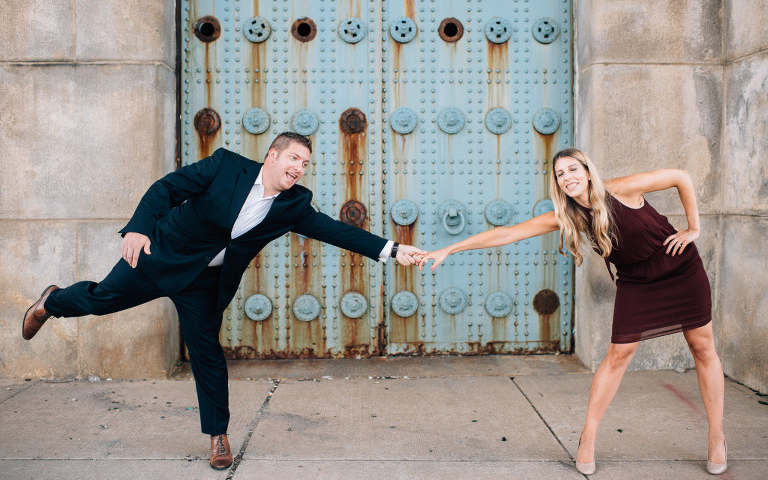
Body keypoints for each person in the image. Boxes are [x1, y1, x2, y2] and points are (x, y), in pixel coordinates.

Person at [22, 131, 425, 471]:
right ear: (272, 155)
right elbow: (168, 187)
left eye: (305, 163)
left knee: (206, 353)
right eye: (294, 158)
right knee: (101, 299)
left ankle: (217, 436)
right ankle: (49, 303)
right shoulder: (225, 166)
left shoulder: (293, 204)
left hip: (205, 282)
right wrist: (138, 229)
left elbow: (334, 230)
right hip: (160, 256)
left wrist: (391, 249)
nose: (300, 168)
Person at [418, 148, 726, 475]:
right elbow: (508, 233)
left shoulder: (620, 189)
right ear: (557, 183)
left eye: (573, 169)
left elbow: (680, 176)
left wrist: (693, 228)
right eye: (560, 174)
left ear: (588, 172)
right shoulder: (569, 216)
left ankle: (716, 436)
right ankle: (588, 437)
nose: (568, 178)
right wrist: (449, 248)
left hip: (681, 268)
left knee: (703, 348)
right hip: (637, 281)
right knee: (619, 354)